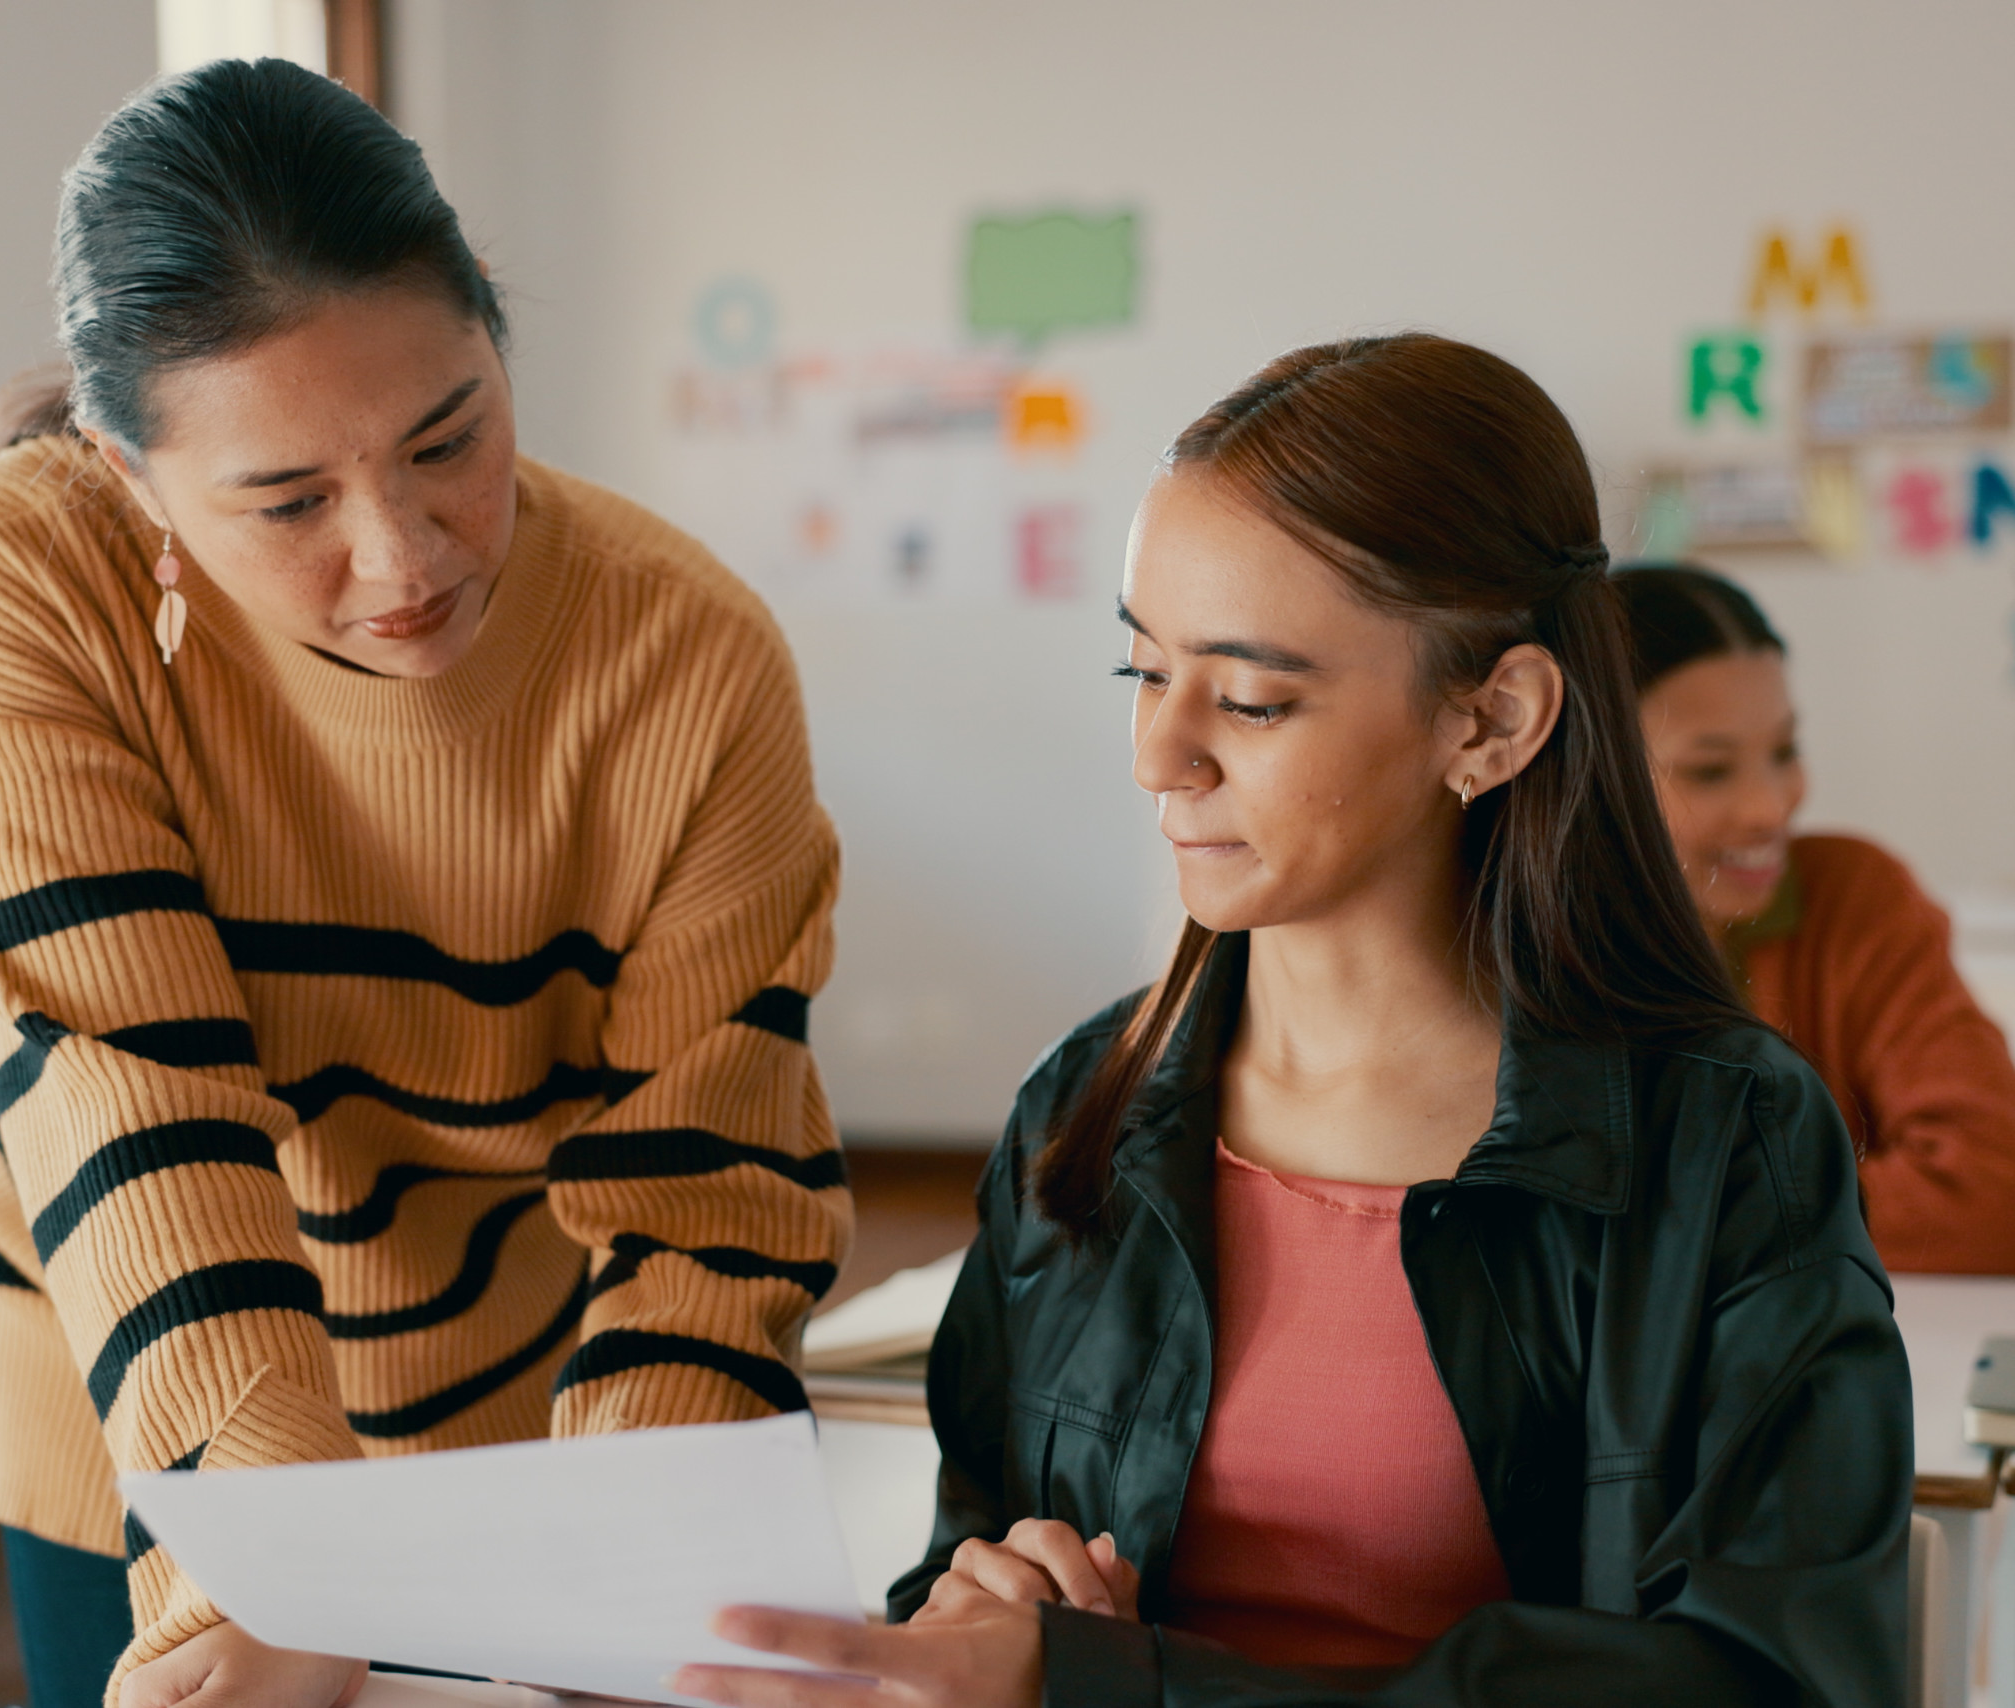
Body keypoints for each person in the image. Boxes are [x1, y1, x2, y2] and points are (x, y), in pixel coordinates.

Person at [669, 336, 1909, 1708]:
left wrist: (1119, 1682)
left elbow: (1775, 1678)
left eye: (1252, 697)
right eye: (1142, 671)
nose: (1158, 753)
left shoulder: (1728, 1137)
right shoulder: (1089, 1103)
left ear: (1493, 721)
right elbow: (969, 1581)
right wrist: (984, 1605)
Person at [0, 59, 850, 1708]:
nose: (403, 558)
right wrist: (272, 1554)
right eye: (288, 501)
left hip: (510, 1382)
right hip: (142, 1374)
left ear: (495, 339)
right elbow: (129, 1090)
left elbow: (704, 1187)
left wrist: (636, 1561)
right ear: (132, 482)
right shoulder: (21, 575)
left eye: (448, 438)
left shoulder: (686, 656)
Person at [1616, 563, 2015, 1273]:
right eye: (1711, 770)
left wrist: (1701, 1226)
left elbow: (1992, 1188)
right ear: (1590, 784)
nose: (1772, 806)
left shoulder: (1855, 897)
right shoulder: (1501, 953)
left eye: (1784, 751)